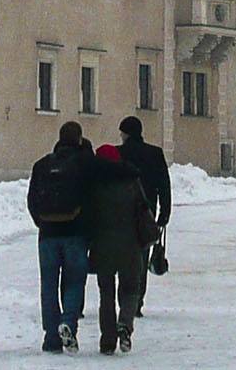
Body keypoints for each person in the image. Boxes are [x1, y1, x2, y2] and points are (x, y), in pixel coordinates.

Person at [28, 121, 100, 353]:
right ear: (79, 140)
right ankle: (68, 322)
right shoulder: (84, 164)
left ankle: (51, 336)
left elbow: (32, 200)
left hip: (47, 234)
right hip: (75, 233)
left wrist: (42, 222)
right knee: (74, 281)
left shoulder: (41, 165)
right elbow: (92, 199)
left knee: (48, 285)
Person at [83, 143, 152, 355]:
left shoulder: (94, 184)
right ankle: (125, 324)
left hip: (103, 245)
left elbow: (89, 216)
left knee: (106, 293)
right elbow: (143, 209)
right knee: (131, 289)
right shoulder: (132, 180)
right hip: (130, 244)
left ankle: (107, 340)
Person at [116, 117, 171, 312]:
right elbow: (164, 185)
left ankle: (125, 298)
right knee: (141, 255)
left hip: (121, 212)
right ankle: (137, 300)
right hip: (146, 213)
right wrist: (164, 213)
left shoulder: (118, 153)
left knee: (123, 257)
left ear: (126, 133)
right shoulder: (154, 154)